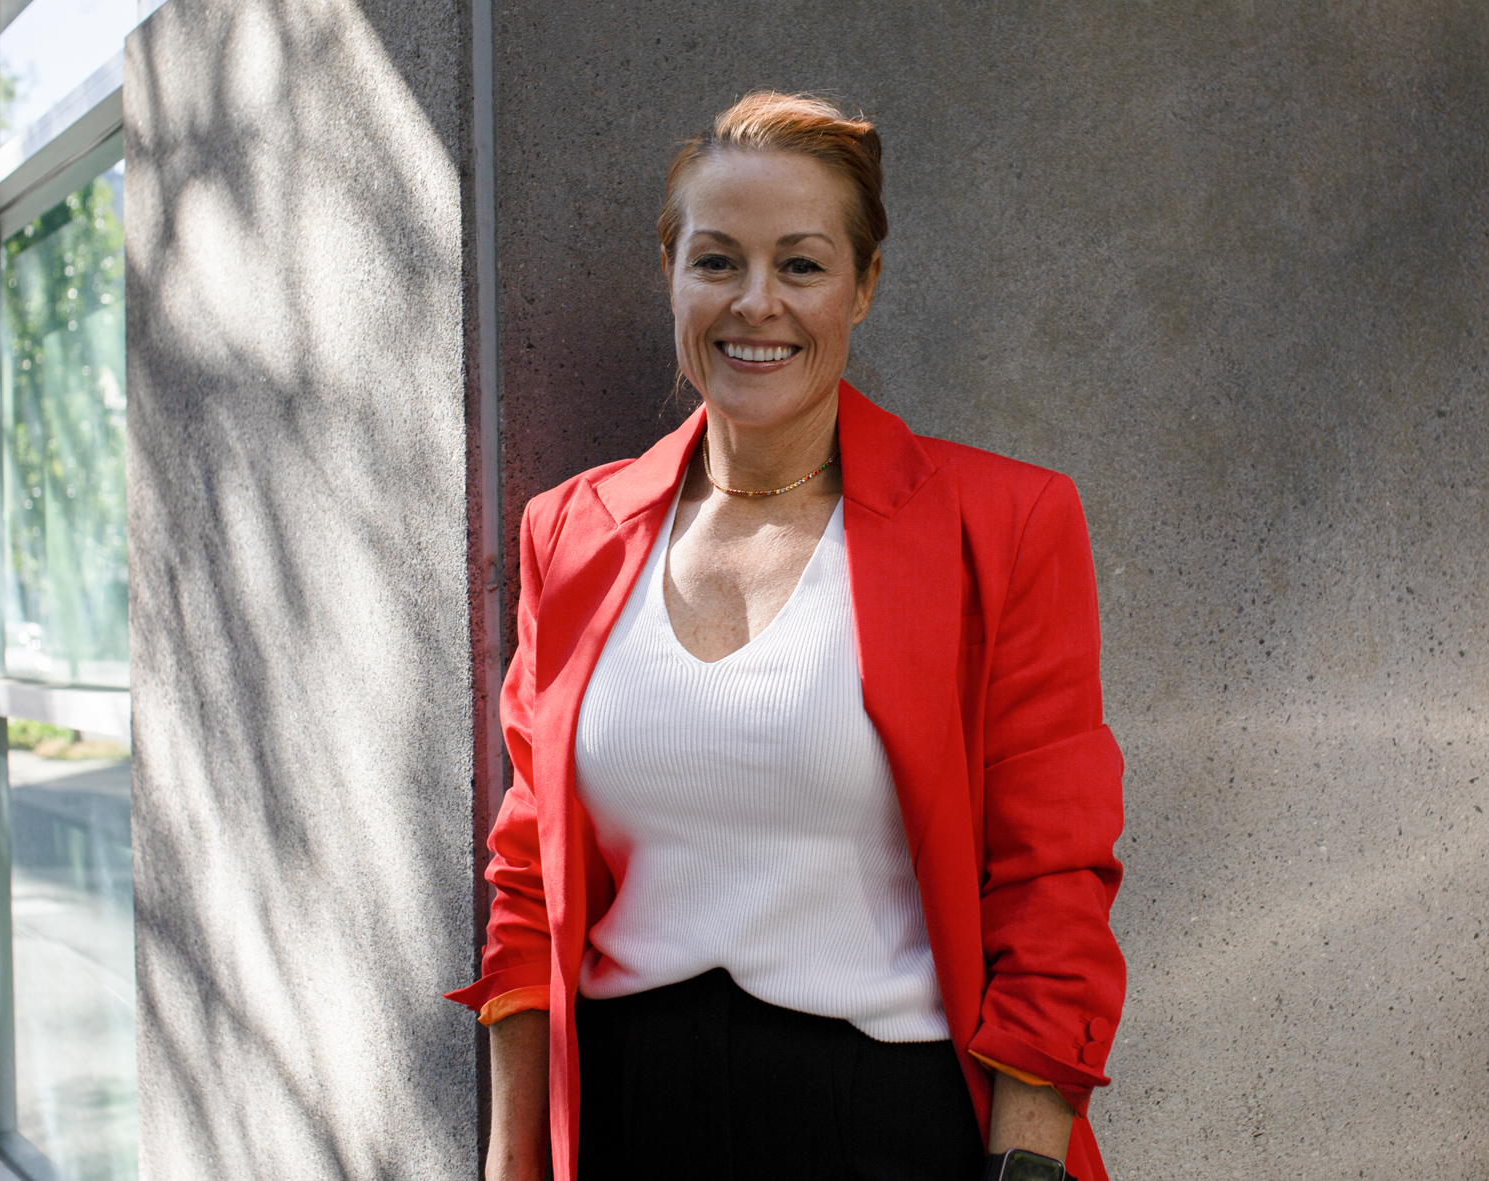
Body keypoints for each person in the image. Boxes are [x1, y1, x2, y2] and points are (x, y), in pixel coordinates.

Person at [446, 91, 1126, 1181]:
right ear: (670, 272)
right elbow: (527, 881)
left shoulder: (1002, 525)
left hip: (886, 1126)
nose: (755, 302)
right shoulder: (568, 531)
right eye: (717, 260)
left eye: (801, 265)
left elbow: (1051, 883)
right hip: (628, 1120)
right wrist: (510, 1161)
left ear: (864, 285)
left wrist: (1027, 1167)